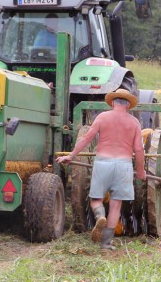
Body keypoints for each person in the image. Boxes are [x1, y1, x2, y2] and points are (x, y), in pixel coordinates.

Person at [56, 88, 146, 250]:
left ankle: (99, 215)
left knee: (96, 199)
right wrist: (141, 171)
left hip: (102, 163)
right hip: (124, 165)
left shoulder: (102, 117)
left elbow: (86, 138)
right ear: (128, 105)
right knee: (116, 204)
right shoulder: (134, 123)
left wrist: (71, 155)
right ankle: (106, 243)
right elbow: (139, 149)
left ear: (112, 103)